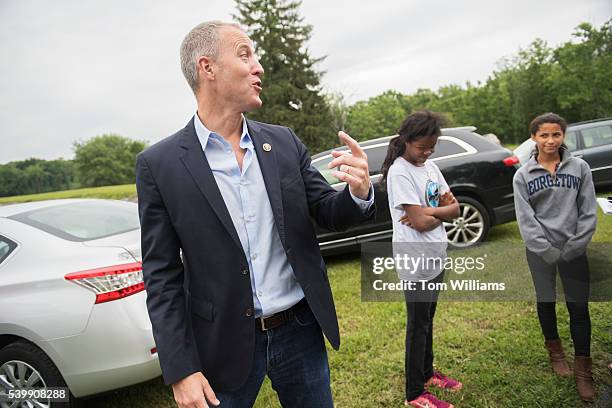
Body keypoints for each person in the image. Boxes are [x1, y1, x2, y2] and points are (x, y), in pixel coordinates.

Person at [135, 21, 375, 408]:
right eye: (245, 54)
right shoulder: (159, 165)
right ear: (207, 68)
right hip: (221, 342)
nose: (258, 66)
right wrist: (180, 368)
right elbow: (161, 275)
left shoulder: (282, 141)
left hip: (299, 330)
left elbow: (327, 212)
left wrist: (358, 192)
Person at [513, 112, 597, 402]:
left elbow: (588, 211)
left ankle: (583, 369)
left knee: (579, 307)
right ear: (534, 138)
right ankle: (556, 354)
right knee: (546, 300)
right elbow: (526, 220)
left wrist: (573, 246)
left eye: (556, 134)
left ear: (564, 136)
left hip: (574, 249)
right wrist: (547, 250)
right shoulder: (522, 176)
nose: (550, 140)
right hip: (540, 252)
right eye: (544, 135)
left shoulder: (580, 168)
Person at [380, 111, 462, 408]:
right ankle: (415, 392)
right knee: (418, 325)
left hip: (437, 253)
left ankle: (427, 374)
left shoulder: (431, 168)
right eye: (421, 147)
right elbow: (420, 221)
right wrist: (437, 213)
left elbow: (454, 209)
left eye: (432, 147)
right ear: (406, 141)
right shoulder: (400, 172)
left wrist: (434, 213)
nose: (427, 152)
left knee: (428, 319)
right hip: (415, 260)